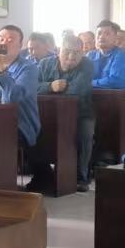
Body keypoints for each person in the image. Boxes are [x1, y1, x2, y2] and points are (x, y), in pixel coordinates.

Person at [40, 34, 95, 193]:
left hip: (81, 113)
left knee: (86, 135)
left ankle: (81, 177)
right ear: (58, 51)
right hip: (49, 113)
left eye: (76, 52)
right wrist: (50, 86)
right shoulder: (44, 64)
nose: (71, 56)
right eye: (67, 51)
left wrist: (50, 90)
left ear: (82, 53)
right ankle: (42, 174)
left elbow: (78, 90)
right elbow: (31, 87)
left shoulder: (87, 65)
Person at [91, 21, 125, 88]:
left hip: (112, 94)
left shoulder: (120, 55)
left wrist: (90, 83)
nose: (101, 36)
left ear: (115, 38)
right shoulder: (90, 55)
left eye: (107, 33)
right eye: (99, 33)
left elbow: (116, 82)